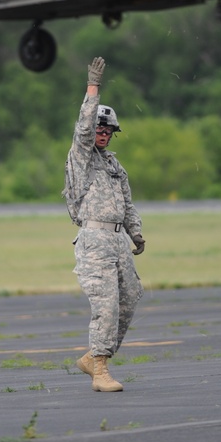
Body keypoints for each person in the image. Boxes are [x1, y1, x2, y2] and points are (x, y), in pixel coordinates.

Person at [63, 56, 145, 392]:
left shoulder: (113, 164)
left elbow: (126, 201)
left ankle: (94, 356)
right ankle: (100, 370)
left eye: (107, 129)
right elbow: (83, 127)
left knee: (129, 299)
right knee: (106, 306)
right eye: (99, 128)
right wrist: (93, 86)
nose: (102, 133)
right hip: (94, 241)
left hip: (117, 242)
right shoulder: (80, 156)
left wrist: (135, 231)